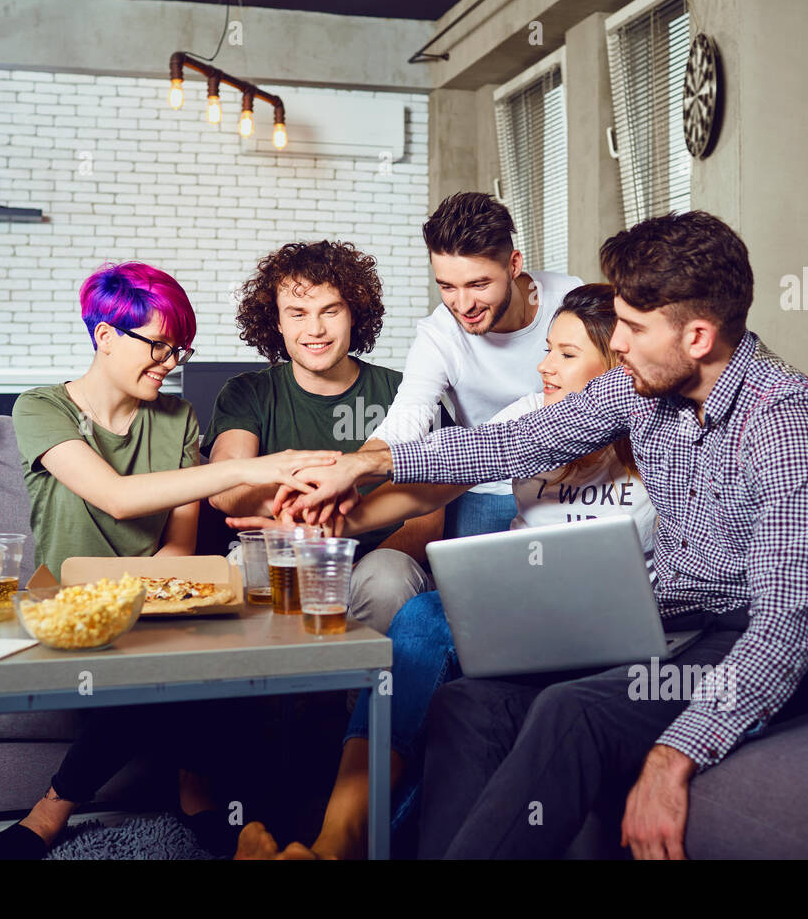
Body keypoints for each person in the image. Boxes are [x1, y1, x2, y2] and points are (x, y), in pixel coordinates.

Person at [280, 211, 808, 859]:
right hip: (666, 624)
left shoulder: (784, 423)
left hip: (759, 642)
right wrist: (369, 463)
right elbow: (511, 442)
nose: (621, 345)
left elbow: (788, 628)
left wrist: (674, 756)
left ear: (697, 336)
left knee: (571, 710)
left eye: (634, 329)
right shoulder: (643, 390)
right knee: (467, 705)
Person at [227, 284, 656, 859]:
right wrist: (321, 523)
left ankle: (337, 848)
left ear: (617, 365)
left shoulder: (660, 438)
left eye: (566, 354)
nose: (543, 365)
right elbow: (426, 487)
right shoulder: (532, 413)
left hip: (611, 625)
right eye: (547, 348)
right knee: (425, 618)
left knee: (451, 677)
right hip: (517, 605)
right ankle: (337, 837)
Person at [0, 261, 342, 860]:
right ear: (104, 335)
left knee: (219, 643)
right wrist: (246, 467)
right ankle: (81, 801)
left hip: (153, 596)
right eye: (157, 346)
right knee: (166, 661)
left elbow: (179, 549)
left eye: (179, 350)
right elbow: (117, 499)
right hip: (67, 597)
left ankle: (192, 787)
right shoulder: (40, 408)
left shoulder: (178, 419)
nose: (170, 362)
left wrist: (159, 596)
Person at [294, 192, 583, 540]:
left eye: (478, 284)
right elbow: (407, 418)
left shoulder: (571, 300)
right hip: (479, 484)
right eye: (447, 286)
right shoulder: (439, 336)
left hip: (571, 484)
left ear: (514, 265)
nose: (463, 305)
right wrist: (351, 470)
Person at [202, 241, 442, 633]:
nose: (315, 329)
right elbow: (225, 484)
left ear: (353, 314)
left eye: (330, 311)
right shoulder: (248, 392)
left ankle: (367, 694)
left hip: (378, 559)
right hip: (280, 551)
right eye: (297, 314)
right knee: (247, 572)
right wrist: (309, 507)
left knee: (388, 577)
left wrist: (339, 571)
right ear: (277, 322)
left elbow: (429, 516)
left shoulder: (406, 391)